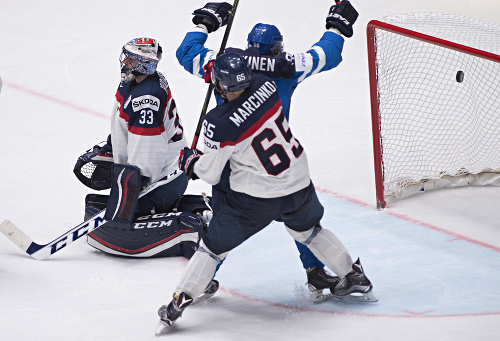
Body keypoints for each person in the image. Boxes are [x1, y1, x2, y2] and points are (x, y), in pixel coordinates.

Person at [157, 53, 375, 328]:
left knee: (212, 248)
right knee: (308, 231)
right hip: (298, 181)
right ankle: (353, 275)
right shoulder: (265, 85)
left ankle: (179, 302)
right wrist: (220, 74)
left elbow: (211, 172)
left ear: (222, 85)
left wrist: (191, 162)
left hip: (257, 199)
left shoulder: (218, 121)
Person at [175, 1, 359, 301]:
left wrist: (205, 24)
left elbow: (187, 53)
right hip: (278, 166)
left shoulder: (224, 65)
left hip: (230, 166)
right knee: (302, 221)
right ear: (277, 48)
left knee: (220, 229)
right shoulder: (288, 67)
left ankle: (201, 284)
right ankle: (315, 273)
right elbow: (327, 53)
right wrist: (337, 26)